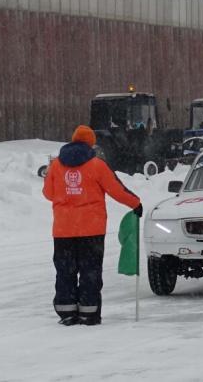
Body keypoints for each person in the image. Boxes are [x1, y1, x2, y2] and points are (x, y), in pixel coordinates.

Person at [42, 125, 142, 326]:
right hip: (91, 230)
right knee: (90, 271)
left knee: (65, 271)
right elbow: (116, 189)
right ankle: (88, 313)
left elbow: (48, 193)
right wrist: (135, 203)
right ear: (91, 143)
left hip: (63, 230)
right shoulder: (97, 165)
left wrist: (68, 193)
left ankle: (67, 312)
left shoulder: (56, 166)